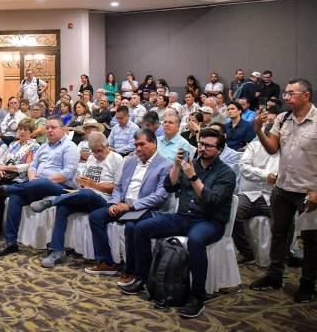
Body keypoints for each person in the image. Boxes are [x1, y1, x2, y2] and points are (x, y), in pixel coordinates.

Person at [124, 129, 236, 319]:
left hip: (209, 221)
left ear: (219, 149)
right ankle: (143, 278)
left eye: (209, 146)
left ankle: (197, 297)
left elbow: (210, 200)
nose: (203, 148)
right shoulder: (190, 164)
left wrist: (192, 176)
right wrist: (176, 165)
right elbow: (170, 186)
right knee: (141, 228)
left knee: (195, 240)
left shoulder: (226, 173)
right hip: (183, 217)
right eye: (201, 144)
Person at [249, 78, 317, 303]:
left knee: (310, 240)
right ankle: (275, 275)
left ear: (306, 95)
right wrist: (259, 130)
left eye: (291, 93)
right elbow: (272, 150)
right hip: (282, 188)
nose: (285, 97)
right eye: (286, 93)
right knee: (279, 234)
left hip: (308, 191)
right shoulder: (283, 118)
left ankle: (307, 285)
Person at [0, 116, 79, 256]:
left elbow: (68, 173)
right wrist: (34, 180)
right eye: (47, 128)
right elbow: (32, 166)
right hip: (37, 185)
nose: (49, 130)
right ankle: (10, 242)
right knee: (16, 198)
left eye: (53, 127)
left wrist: (40, 181)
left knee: (42, 182)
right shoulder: (44, 146)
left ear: (63, 129)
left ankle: (7, 189)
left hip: (62, 187)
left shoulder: (70, 147)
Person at [84, 129, 172, 278]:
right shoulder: (130, 161)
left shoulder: (165, 165)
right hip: (122, 205)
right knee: (95, 217)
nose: (138, 148)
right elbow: (118, 187)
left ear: (153, 144)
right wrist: (113, 202)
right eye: (136, 145)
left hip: (144, 208)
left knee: (131, 226)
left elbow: (159, 196)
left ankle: (131, 270)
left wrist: (131, 206)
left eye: (142, 144)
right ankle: (106, 263)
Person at [31, 131, 124, 268]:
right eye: (93, 151)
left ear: (107, 146)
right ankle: (57, 251)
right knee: (63, 207)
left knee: (87, 193)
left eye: (99, 151)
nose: (97, 154)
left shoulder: (117, 159)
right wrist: (81, 182)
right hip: (85, 195)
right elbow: (84, 182)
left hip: (103, 200)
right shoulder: (91, 158)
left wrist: (93, 185)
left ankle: (52, 200)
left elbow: (117, 188)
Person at [0, 119, 40, 241]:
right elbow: (2, 160)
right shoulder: (13, 144)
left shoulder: (35, 146)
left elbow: (29, 166)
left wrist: (6, 167)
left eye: (25, 130)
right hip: (5, 175)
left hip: (20, 179)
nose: (22, 132)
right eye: (20, 129)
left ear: (31, 132)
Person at [233, 112, 280, 264]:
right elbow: (244, 168)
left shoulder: (285, 151)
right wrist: (266, 176)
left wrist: (269, 176)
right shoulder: (254, 146)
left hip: (273, 195)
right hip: (249, 194)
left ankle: (281, 255)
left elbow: (284, 173)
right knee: (233, 215)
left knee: (284, 221)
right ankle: (247, 252)